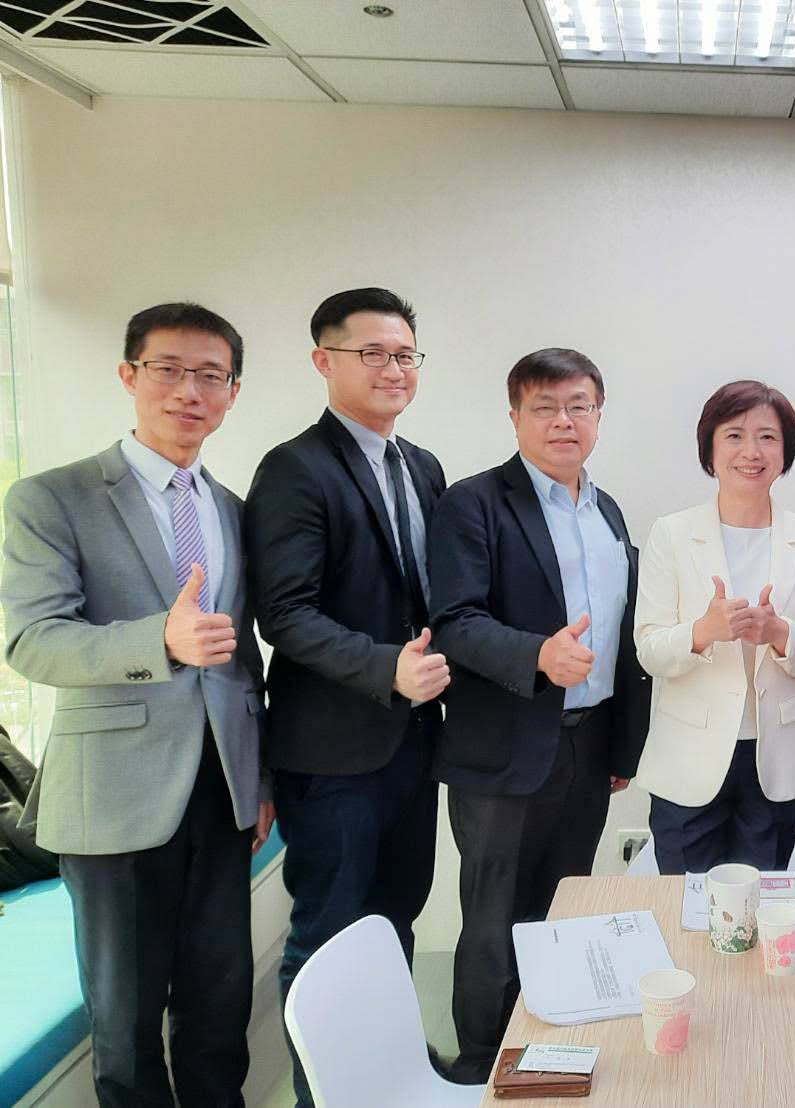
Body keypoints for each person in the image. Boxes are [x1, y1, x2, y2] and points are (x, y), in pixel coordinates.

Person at [3, 303, 270, 1107]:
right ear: (129, 376)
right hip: (111, 798)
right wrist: (161, 638)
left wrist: (258, 779)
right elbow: (33, 641)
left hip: (221, 795)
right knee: (125, 1024)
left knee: (219, 1009)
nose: (189, 391)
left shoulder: (232, 508)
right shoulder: (54, 497)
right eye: (169, 370)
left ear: (232, 393)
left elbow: (241, 658)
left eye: (211, 376)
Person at [245, 287, 448, 1106]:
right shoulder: (294, 468)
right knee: (328, 935)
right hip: (330, 755)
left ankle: (390, 1077)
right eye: (372, 354)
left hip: (413, 743)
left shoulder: (421, 466)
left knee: (395, 918)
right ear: (323, 361)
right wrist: (384, 668)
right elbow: (284, 614)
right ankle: (321, 1096)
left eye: (404, 355)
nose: (392, 369)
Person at [428, 347, 650, 1082]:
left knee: (562, 915)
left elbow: (620, 633)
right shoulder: (473, 504)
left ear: (598, 415)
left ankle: (547, 1064)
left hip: (588, 746)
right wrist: (537, 655)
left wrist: (622, 748)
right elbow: (454, 621)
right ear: (515, 416)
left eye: (578, 406)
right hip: (504, 748)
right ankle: (479, 1069)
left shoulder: (607, 510)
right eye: (545, 407)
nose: (563, 421)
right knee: (495, 921)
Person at [634, 380, 795, 874]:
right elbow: (649, 649)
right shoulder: (671, 533)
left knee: (764, 899)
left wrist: (780, 634)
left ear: (785, 452)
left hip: (776, 758)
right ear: (709, 450)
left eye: (768, 437)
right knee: (686, 900)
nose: (751, 451)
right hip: (688, 758)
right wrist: (703, 631)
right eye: (734, 436)